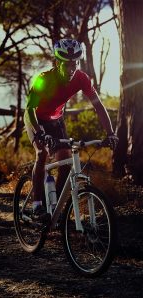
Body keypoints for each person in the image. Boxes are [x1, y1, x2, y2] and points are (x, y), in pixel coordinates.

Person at [24, 38, 118, 222]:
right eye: (67, 64)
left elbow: (98, 106)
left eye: (74, 64)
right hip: (36, 119)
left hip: (56, 120)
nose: (71, 69)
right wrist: (40, 133)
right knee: (42, 153)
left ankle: (55, 210)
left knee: (66, 163)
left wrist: (111, 133)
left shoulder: (81, 78)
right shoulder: (43, 79)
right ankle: (37, 206)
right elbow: (30, 109)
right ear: (58, 62)